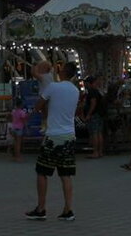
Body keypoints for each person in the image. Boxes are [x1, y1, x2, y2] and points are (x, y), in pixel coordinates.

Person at [25, 60, 80, 221]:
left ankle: (41, 208)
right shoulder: (75, 91)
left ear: (63, 72)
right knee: (66, 174)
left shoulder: (53, 87)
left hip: (53, 135)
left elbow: (39, 105)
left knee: (42, 172)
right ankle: (68, 209)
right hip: (69, 135)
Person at [81, 76, 105, 159]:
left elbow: (93, 103)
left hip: (94, 114)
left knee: (95, 133)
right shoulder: (98, 91)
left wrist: (88, 114)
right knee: (99, 133)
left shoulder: (91, 91)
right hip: (100, 114)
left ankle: (95, 152)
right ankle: (100, 151)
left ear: (88, 83)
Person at [9, 97, 29, 162]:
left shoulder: (13, 111)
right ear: (20, 105)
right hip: (19, 129)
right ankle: (18, 157)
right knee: (18, 144)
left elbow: (11, 119)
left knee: (15, 143)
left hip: (13, 128)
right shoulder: (22, 112)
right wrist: (27, 129)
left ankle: (14, 156)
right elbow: (24, 121)